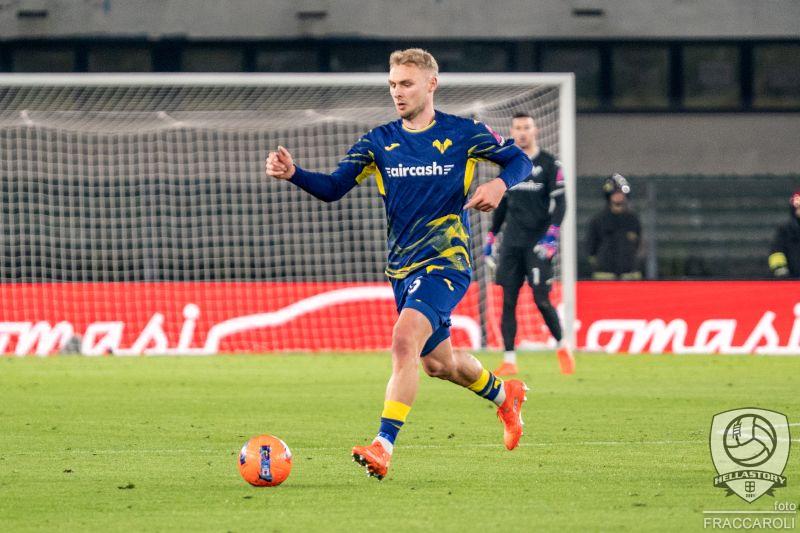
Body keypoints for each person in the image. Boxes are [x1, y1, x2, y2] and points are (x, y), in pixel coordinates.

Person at [265, 48, 532, 480]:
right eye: (392, 84)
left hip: (446, 262)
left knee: (404, 340)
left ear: (431, 84)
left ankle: (383, 445)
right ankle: (506, 396)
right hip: (402, 269)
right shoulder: (379, 142)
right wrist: (295, 173)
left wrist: (500, 184)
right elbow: (334, 187)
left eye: (406, 83)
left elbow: (521, 159)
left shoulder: (464, 133)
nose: (397, 92)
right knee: (439, 364)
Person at [483, 113, 574, 376]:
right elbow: (501, 204)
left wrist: (551, 236)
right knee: (508, 300)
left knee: (541, 299)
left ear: (536, 130)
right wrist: (491, 237)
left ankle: (562, 346)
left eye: (526, 127)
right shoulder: (509, 164)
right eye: (518, 128)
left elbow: (561, 203)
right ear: (512, 132)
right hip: (511, 243)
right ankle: (509, 359)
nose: (522, 132)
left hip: (537, 243)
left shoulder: (549, 164)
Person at [586, 174, 643, 280]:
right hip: (604, 275)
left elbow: (638, 243)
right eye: (615, 193)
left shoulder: (633, 219)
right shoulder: (598, 220)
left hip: (629, 275)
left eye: (621, 193)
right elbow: (591, 246)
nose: (618, 196)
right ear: (609, 195)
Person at [769, 188, 800, 278]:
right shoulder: (785, 230)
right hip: (791, 280)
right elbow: (776, 252)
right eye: (798, 207)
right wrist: (780, 270)